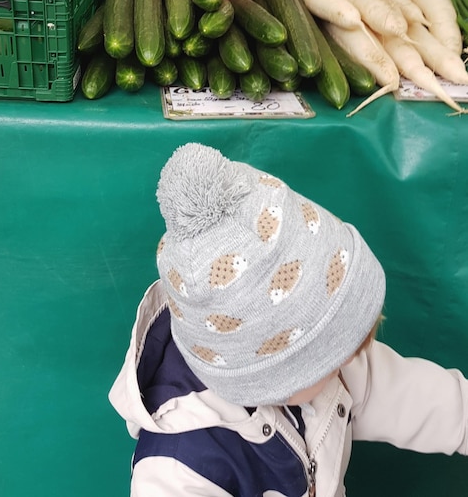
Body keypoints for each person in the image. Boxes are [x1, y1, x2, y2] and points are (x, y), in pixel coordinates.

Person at [109, 142, 468, 497]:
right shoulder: (177, 474)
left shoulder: (327, 367)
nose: (347, 365)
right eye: (331, 360)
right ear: (274, 377)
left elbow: (426, 401)